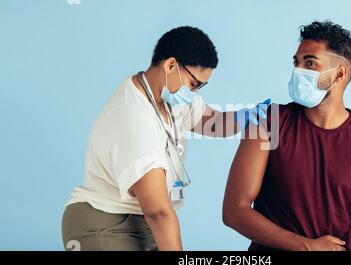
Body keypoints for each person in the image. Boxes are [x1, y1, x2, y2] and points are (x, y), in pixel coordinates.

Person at [62, 26, 269, 251]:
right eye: (194, 84)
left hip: (140, 220)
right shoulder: (135, 118)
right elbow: (159, 212)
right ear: (170, 65)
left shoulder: (166, 95)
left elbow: (209, 121)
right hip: (104, 222)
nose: (196, 93)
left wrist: (242, 118)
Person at [223, 21, 351, 251]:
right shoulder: (268, 121)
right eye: (296, 62)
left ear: (339, 73)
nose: (298, 70)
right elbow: (234, 211)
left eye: (310, 63)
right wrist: (306, 246)